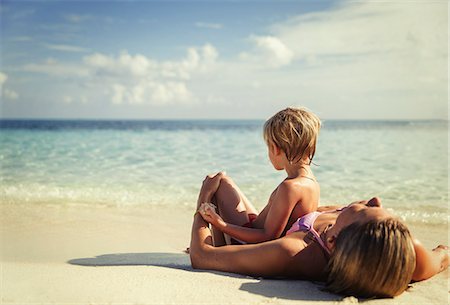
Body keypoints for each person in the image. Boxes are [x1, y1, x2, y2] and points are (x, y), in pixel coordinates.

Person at [190, 173, 449, 298]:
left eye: (367, 210)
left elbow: (202, 257)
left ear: (332, 240)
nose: (375, 200)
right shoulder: (401, 250)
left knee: (218, 182)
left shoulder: (294, 251)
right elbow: (444, 254)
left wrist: (203, 202)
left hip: (262, 241)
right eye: (380, 211)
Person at [201, 107, 321, 245]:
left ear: (275, 149)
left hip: (251, 244)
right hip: (255, 230)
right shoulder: (310, 181)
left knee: (220, 185)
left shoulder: (290, 187)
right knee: (225, 181)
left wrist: (220, 224)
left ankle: (217, 248)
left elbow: (268, 236)